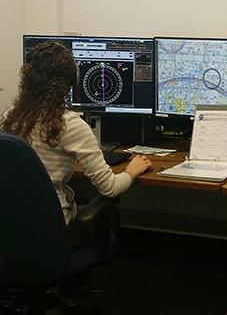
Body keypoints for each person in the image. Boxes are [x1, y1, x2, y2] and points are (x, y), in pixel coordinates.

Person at [0, 41, 152, 247]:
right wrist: (132, 171)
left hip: (11, 230)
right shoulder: (69, 125)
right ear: (71, 82)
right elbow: (110, 188)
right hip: (53, 233)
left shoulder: (10, 117)